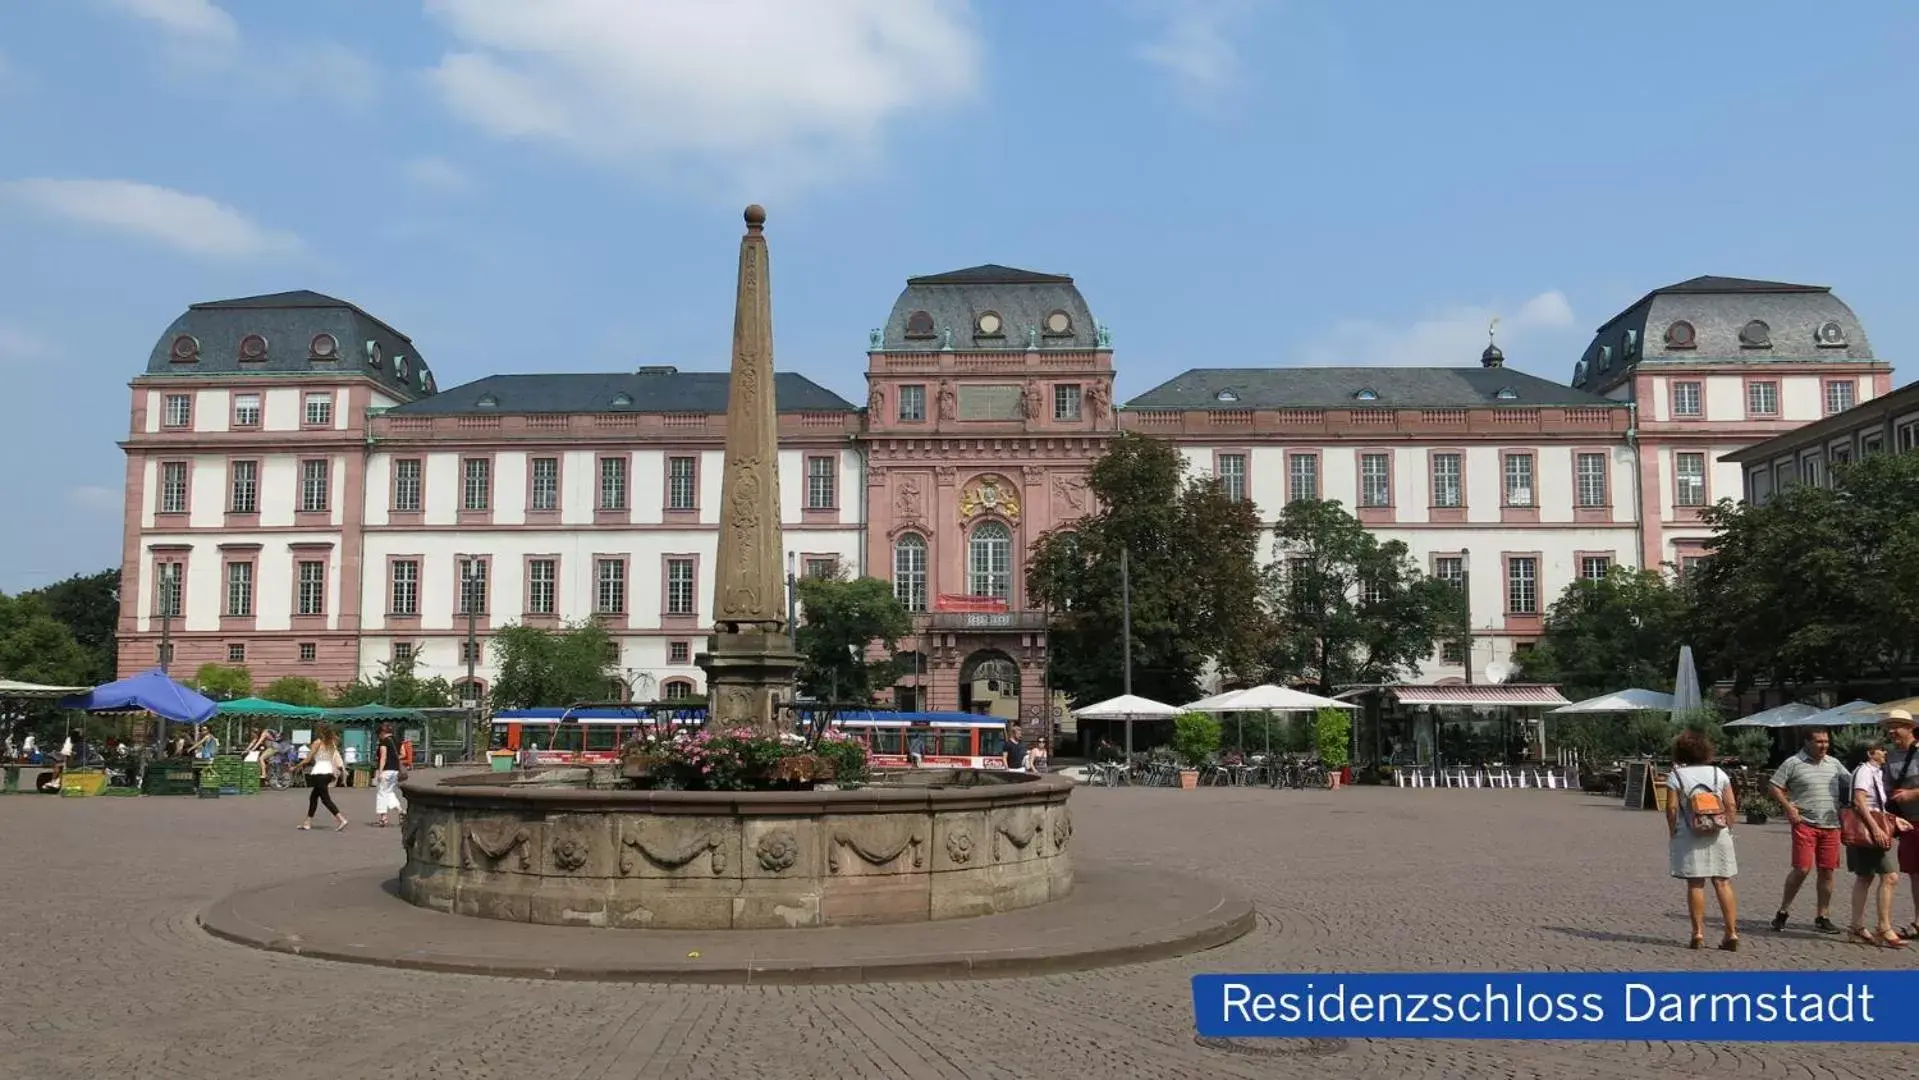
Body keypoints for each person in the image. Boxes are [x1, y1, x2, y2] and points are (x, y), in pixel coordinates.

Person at [1767, 727, 1850, 933]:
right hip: (1805, 823)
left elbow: (1851, 782)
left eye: (1826, 741)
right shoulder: (1793, 763)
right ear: (1807, 742)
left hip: (1831, 824)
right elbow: (1774, 785)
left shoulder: (1834, 763)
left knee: (1827, 871)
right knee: (1802, 869)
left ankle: (1822, 915)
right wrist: (1788, 808)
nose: (1824, 745)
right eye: (1819, 741)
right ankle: (1783, 911)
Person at [1665, 729, 1739, 950]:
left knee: (1696, 883)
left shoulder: (1676, 776)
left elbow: (1670, 808)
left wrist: (1673, 830)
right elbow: (1731, 805)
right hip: (1719, 831)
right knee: (1722, 882)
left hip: (1690, 832)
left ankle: (1697, 933)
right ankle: (1731, 933)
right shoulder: (1719, 774)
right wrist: (1728, 827)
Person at [1844, 738, 1907, 947]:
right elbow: (1859, 802)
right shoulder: (1864, 771)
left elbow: (1876, 805)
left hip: (1868, 829)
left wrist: (1893, 819)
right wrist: (1876, 828)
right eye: (1881, 749)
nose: (1885, 752)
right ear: (1871, 753)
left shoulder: (1874, 772)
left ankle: (1856, 927)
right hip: (1866, 832)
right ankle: (1884, 927)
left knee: (1865, 877)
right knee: (1890, 877)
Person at [1882, 709, 1919, 940]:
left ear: (1910, 728)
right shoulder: (1890, 757)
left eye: (1897, 726)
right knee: (1915, 873)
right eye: (1890, 727)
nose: (1892, 731)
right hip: (1908, 824)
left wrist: (1913, 794)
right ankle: (1918, 921)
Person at [297, 723, 348, 832]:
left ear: (320, 732)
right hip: (328, 773)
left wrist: (295, 767)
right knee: (314, 797)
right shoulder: (332, 744)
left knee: (325, 799)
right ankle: (307, 822)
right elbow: (335, 758)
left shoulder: (317, 743)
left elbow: (307, 759)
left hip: (320, 772)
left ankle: (341, 819)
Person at [372, 722, 406, 827]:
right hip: (395, 770)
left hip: (386, 770)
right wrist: (394, 759)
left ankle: (383, 818)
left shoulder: (384, 742)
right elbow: (403, 754)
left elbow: (383, 757)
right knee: (389, 792)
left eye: (379, 734)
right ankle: (401, 811)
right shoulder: (398, 741)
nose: (379, 736)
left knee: (381, 793)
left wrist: (380, 772)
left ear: (383, 732)